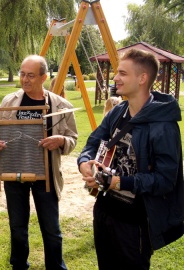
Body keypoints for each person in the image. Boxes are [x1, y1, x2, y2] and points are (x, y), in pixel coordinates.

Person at [77, 48, 184, 269]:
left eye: (123, 73)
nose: (115, 78)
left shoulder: (164, 127)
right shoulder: (118, 112)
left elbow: (165, 180)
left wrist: (119, 182)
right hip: (104, 211)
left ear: (142, 78)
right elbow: (94, 141)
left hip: (135, 222)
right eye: (117, 72)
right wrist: (84, 163)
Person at [0, 55, 78, 270]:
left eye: (31, 75)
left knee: (51, 229)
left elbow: (73, 139)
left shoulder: (61, 106)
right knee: (17, 227)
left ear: (44, 77)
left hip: (46, 174)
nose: (25, 80)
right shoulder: (9, 101)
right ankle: (19, 266)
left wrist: (61, 140)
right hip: (13, 172)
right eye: (22, 74)